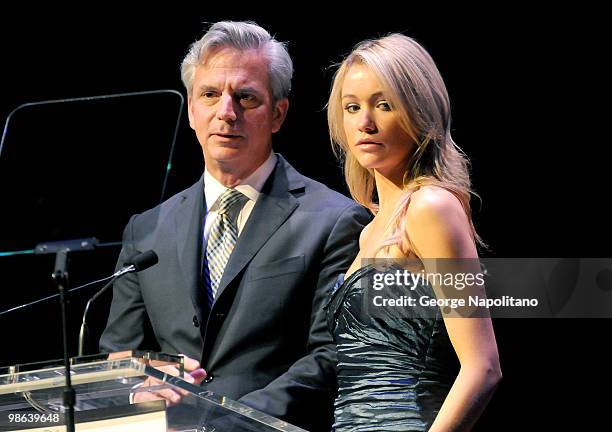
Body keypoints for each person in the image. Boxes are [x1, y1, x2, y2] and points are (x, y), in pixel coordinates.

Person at [99, 21, 370, 431]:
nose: (226, 112)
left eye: (246, 98)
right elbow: (120, 354)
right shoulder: (147, 229)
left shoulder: (334, 220)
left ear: (278, 114)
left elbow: (332, 355)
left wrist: (223, 423)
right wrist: (137, 389)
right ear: (192, 110)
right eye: (210, 95)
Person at [325, 34, 502, 430]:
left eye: (383, 104)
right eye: (352, 107)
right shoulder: (369, 230)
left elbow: (483, 366)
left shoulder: (430, 208)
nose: (365, 122)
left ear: (418, 110)